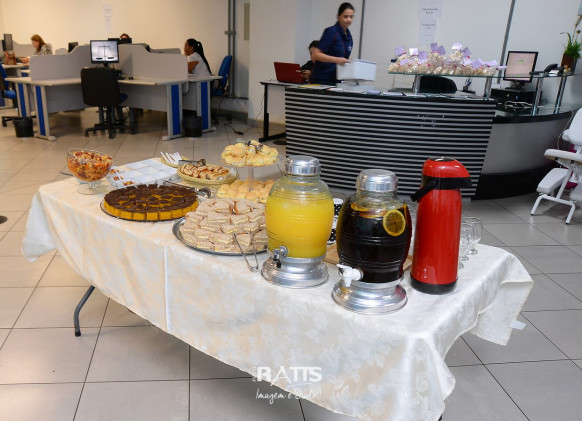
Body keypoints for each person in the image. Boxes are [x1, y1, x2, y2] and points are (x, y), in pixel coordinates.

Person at [310, 2, 354, 85]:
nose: (349, 20)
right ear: (338, 16)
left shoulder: (349, 37)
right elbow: (315, 55)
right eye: (345, 16)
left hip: (337, 81)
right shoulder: (331, 32)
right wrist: (337, 60)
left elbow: (342, 58)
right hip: (322, 80)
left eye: (351, 17)